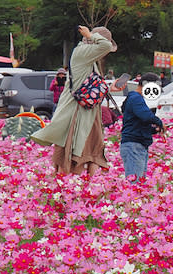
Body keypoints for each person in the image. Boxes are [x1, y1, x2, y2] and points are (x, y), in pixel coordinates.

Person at [32, 25, 117, 176]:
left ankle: (86, 188)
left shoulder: (90, 60)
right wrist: (91, 35)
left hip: (87, 113)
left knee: (91, 152)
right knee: (74, 155)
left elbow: (88, 87)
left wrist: (109, 89)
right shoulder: (83, 53)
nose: (105, 53)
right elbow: (105, 45)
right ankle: (72, 191)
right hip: (76, 113)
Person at [120, 72, 165, 181]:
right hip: (134, 145)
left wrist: (154, 130)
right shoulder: (136, 98)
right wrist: (159, 122)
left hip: (136, 144)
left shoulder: (134, 98)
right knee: (135, 183)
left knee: (139, 182)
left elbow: (138, 123)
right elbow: (146, 116)